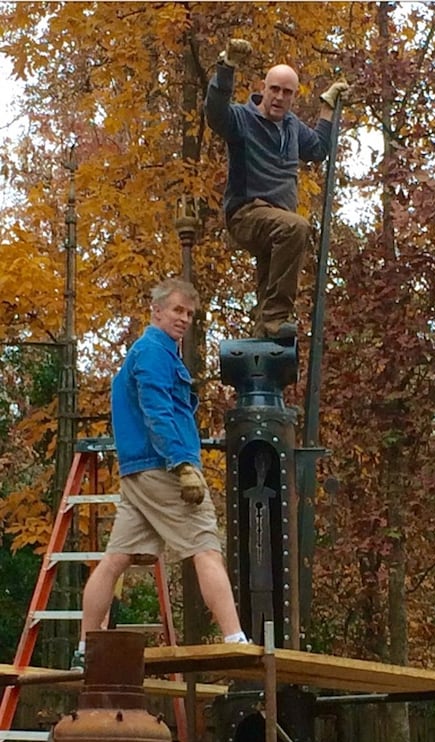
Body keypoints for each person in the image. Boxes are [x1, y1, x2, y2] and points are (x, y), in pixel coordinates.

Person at [71, 277, 247, 669]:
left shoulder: (153, 352)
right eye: (177, 311)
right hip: (162, 468)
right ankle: (235, 639)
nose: (183, 319)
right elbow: (157, 411)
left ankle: (85, 646)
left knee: (115, 558)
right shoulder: (153, 352)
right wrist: (182, 464)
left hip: (138, 474)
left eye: (189, 313)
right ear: (157, 311)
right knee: (205, 546)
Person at [204, 39, 348, 340]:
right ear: (264, 88)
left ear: (293, 97)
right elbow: (215, 113)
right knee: (297, 228)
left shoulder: (292, 126)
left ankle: (263, 340)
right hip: (247, 213)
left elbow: (319, 148)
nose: (280, 97)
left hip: (276, 224)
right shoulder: (242, 119)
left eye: (287, 93)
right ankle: (273, 322)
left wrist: (327, 108)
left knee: (269, 286)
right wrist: (227, 68)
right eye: (275, 90)